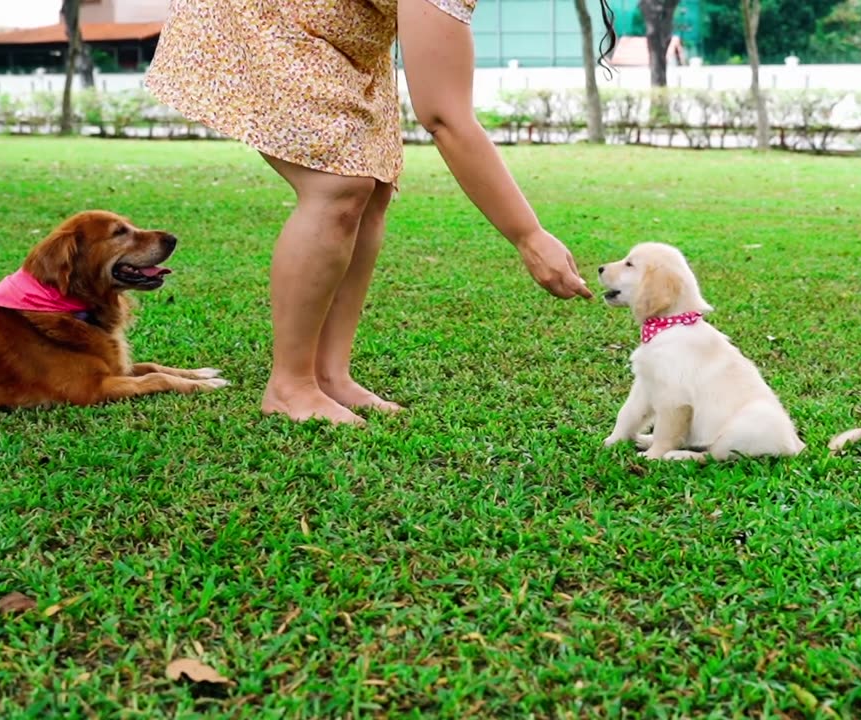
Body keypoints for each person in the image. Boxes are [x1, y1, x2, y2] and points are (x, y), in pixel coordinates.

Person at [146, 0, 612, 425]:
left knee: (372, 188)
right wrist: (528, 235)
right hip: (266, 19)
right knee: (338, 185)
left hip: (346, 43)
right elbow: (445, 117)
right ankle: (290, 385)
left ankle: (330, 374)